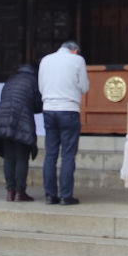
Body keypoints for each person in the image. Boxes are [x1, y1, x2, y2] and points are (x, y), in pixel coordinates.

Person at [38, 39, 89, 205]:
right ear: (74, 51)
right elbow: (84, 87)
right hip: (69, 109)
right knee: (68, 155)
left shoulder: (45, 60)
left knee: (50, 154)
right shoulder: (77, 60)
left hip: (49, 109)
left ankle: (50, 195)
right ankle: (66, 195)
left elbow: (41, 87)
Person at [0, 60, 42, 202]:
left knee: (9, 157)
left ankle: (10, 191)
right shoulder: (34, 80)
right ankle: (20, 192)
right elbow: (38, 104)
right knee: (21, 157)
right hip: (22, 119)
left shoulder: (11, 79)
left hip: (2, 119)